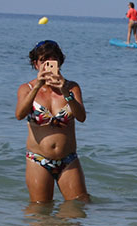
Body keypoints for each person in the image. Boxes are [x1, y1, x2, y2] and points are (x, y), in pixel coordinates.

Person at [15, 40, 88, 203]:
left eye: (52, 60)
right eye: (43, 61)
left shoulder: (71, 87)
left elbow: (81, 116)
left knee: (79, 209)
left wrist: (64, 90)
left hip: (68, 159)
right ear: (35, 64)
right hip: (38, 160)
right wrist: (37, 87)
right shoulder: (26, 88)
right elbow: (20, 115)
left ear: (59, 63)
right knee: (40, 214)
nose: (47, 65)